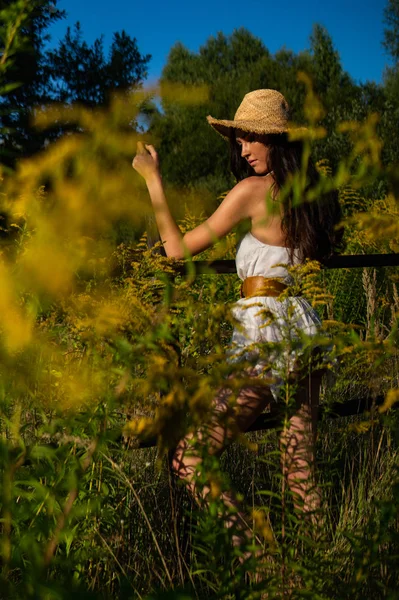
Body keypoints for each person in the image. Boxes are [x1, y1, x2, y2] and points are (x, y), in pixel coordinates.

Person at [132, 89, 342, 551]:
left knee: (189, 459)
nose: (243, 149)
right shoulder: (310, 196)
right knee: (300, 469)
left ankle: (259, 560)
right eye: (239, 139)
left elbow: (177, 251)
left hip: (263, 333)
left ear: (276, 141)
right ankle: (326, 565)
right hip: (302, 329)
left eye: (251, 138)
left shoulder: (252, 193)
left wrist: (152, 180)